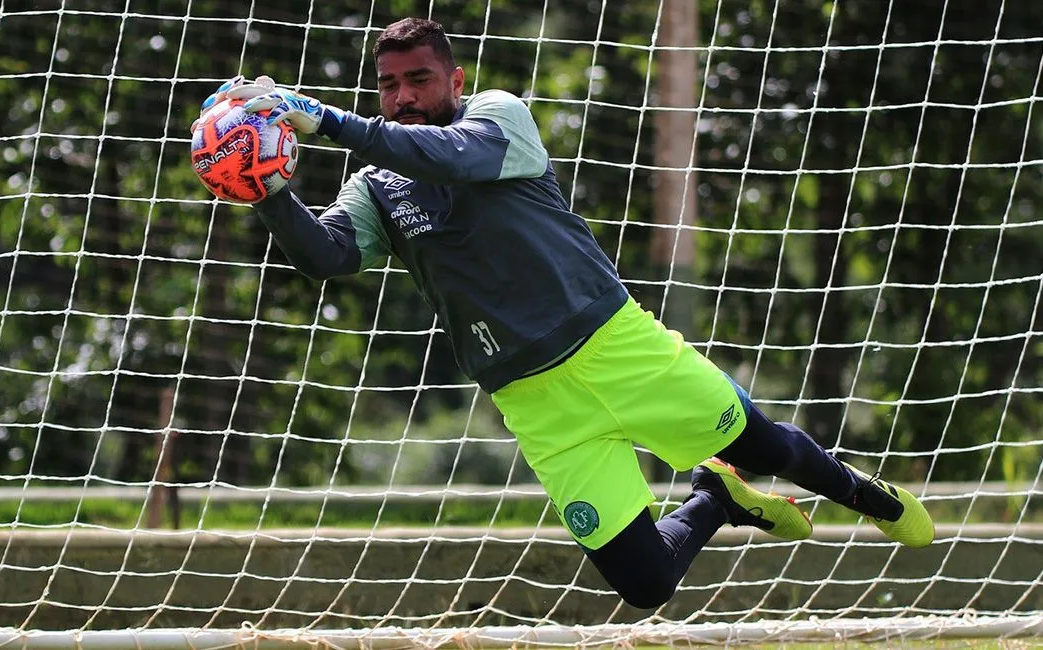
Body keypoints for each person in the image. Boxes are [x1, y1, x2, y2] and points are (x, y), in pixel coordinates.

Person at [195, 17, 934, 609]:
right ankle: (715, 497)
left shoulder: (498, 120)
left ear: (456, 78)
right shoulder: (378, 186)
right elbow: (326, 257)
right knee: (646, 587)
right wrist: (266, 187)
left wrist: (322, 117)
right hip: (530, 400)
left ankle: (869, 497)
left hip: (614, 347)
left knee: (764, 446)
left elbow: (450, 158)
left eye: (419, 79)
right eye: (388, 85)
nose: (403, 96)